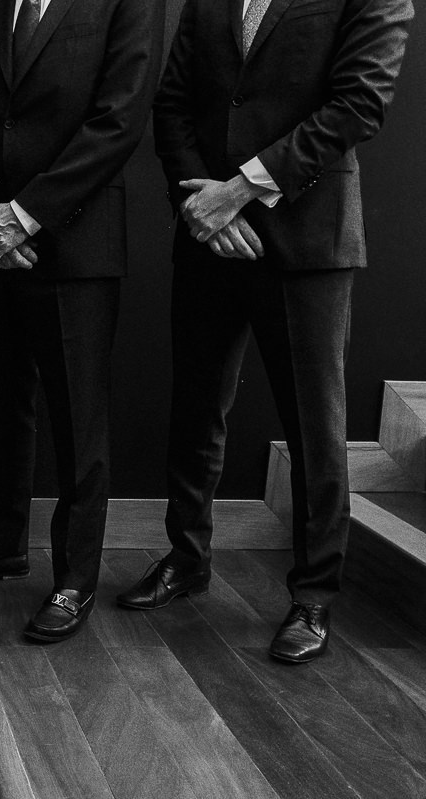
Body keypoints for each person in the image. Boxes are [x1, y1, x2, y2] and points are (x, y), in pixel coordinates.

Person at [117, 0, 413, 663]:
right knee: (195, 406)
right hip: (207, 234)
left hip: (307, 239)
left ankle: (313, 595)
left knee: (313, 426)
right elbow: (172, 102)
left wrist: (239, 191)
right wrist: (200, 204)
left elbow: (359, 104)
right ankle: (186, 557)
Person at [0, 0, 162, 641]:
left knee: (77, 422)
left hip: (75, 243)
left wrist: (25, 215)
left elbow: (118, 121)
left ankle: (74, 579)